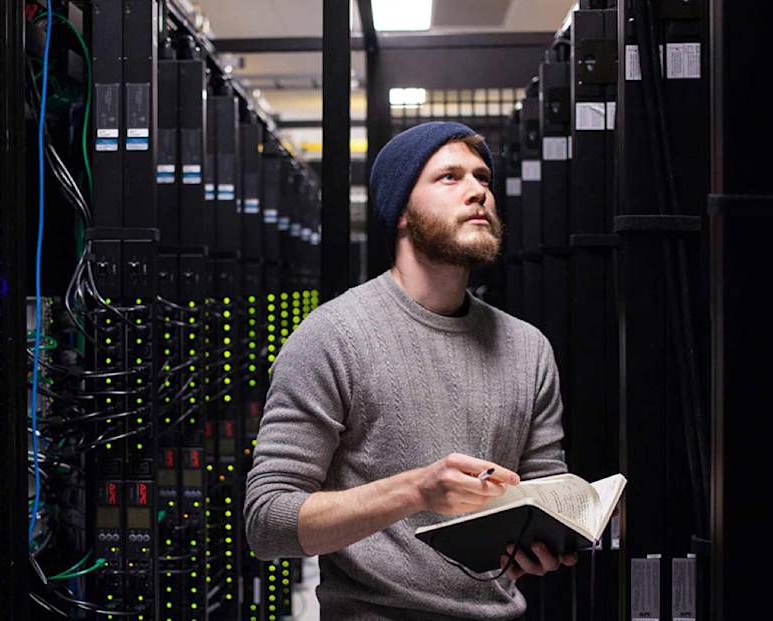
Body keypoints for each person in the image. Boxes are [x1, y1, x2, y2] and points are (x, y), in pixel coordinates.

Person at [244, 121, 575, 620]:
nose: (477, 192)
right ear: (401, 210)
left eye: (483, 178)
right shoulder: (333, 337)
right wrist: (415, 490)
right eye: (450, 177)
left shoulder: (528, 348)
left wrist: (544, 539)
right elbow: (268, 524)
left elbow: (545, 487)